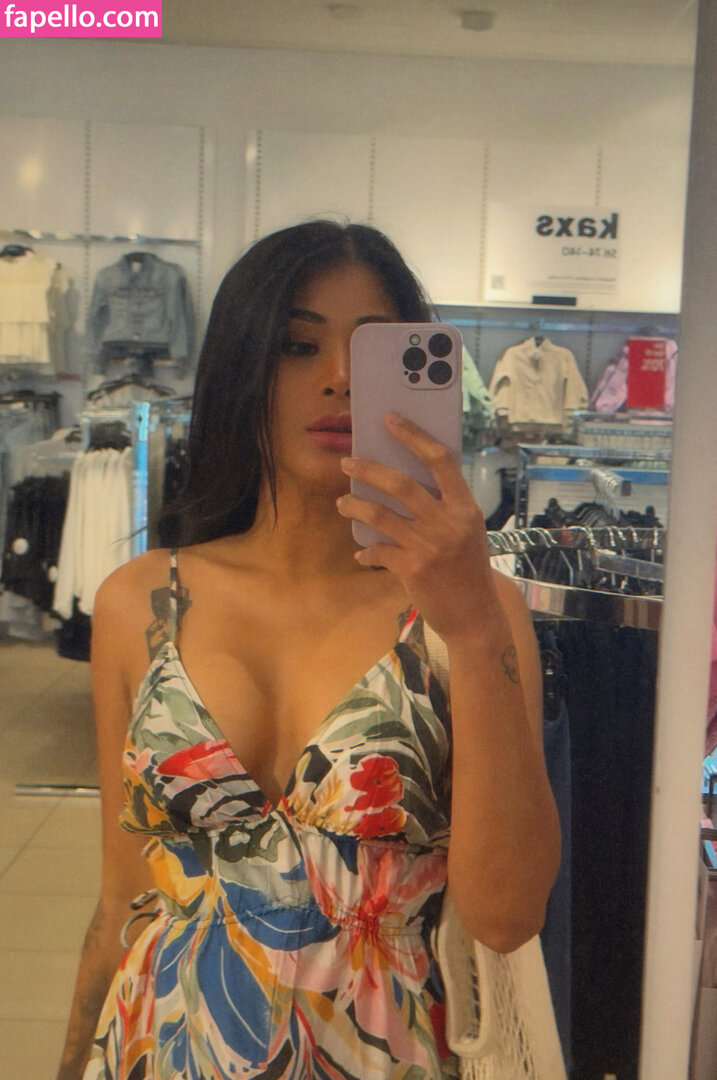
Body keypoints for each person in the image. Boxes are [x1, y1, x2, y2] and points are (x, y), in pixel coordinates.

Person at [57, 220, 561, 1080]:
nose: (338, 379)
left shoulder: (472, 612)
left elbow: (508, 916)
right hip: (159, 1047)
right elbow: (123, 896)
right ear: (242, 367)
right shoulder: (140, 601)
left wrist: (477, 632)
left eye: (371, 353)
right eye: (298, 345)